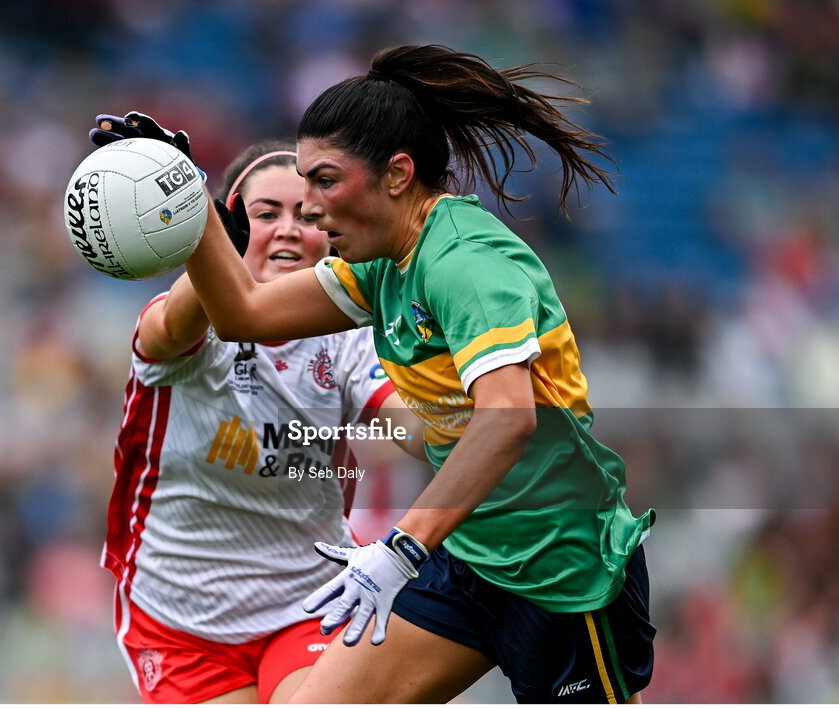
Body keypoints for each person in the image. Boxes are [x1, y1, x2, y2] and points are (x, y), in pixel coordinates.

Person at [126, 44, 656, 703]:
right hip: (466, 555)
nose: (311, 208)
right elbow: (243, 312)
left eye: (324, 181)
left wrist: (401, 547)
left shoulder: (465, 262)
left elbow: (508, 419)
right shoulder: (378, 263)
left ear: (397, 175)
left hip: (559, 567)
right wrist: (190, 197)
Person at [89, 123, 416, 703]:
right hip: (180, 616)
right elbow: (167, 329)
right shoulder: (185, 325)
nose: (289, 229)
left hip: (308, 599)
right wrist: (196, 219)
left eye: (308, 216)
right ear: (233, 226)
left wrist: (471, 421)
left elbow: (408, 424)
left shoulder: (351, 333)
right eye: (265, 214)